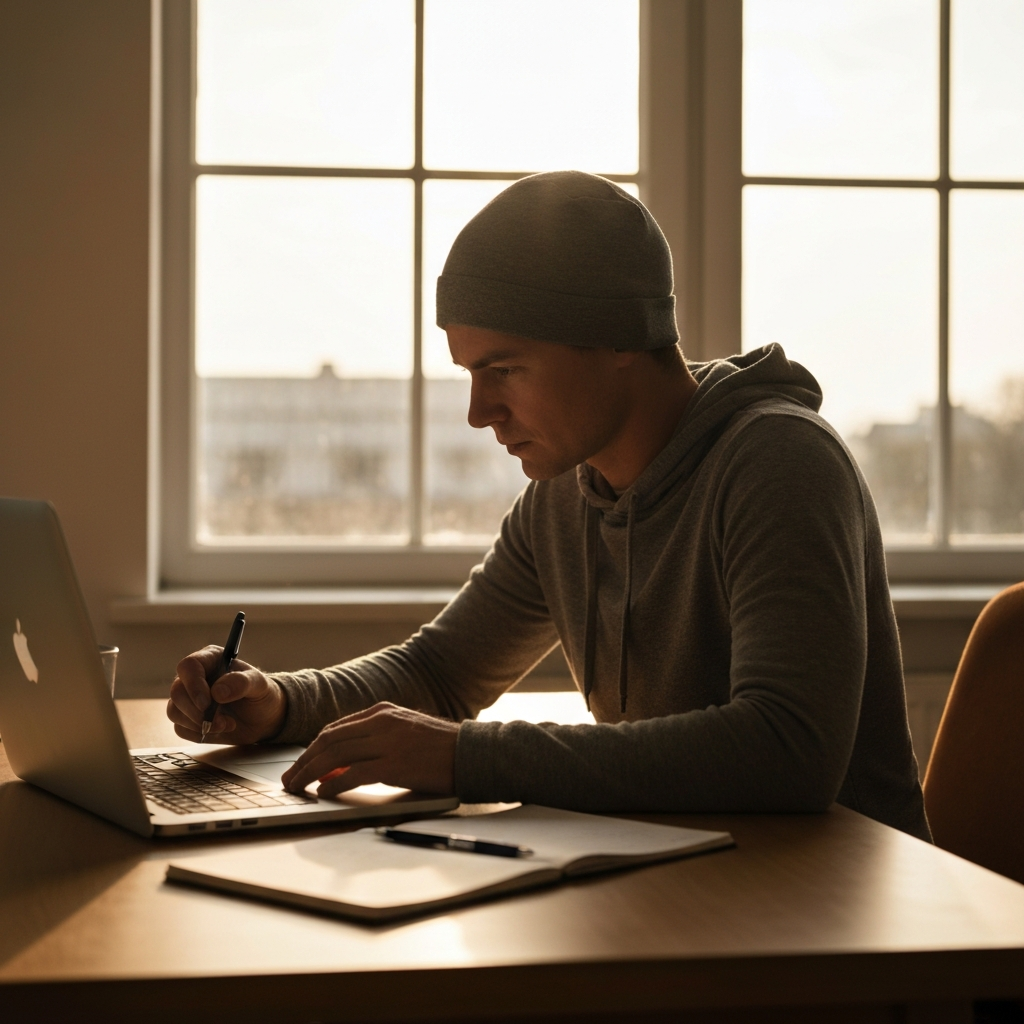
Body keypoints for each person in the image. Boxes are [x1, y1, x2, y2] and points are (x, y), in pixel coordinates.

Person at [167, 171, 930, 840]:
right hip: (693, 887)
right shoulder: (565, 493)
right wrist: (279, 702)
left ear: (620, 337)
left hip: (846, 926)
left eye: (503, 369)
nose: (478, 412)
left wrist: (469, 758)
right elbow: (441, 673)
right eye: (470, 372)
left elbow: (785, 752)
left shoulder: (779, 465)